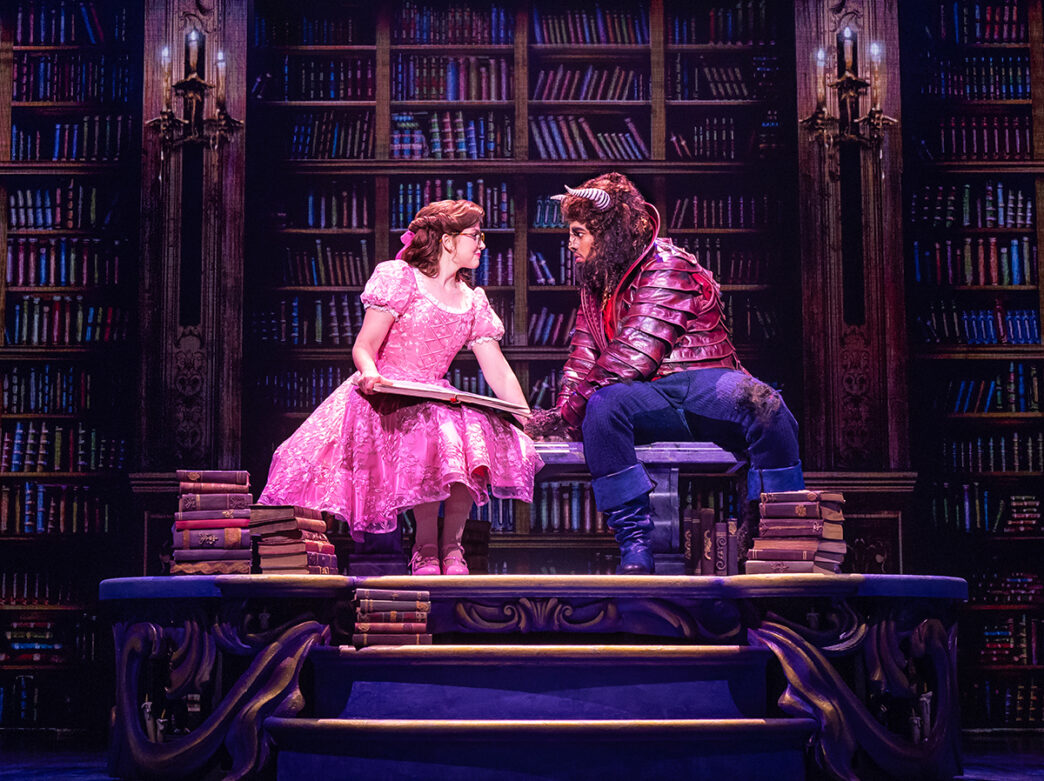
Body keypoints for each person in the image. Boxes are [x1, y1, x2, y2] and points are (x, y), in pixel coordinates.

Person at [525, 172, 804, 575]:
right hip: (649, 396)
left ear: (608, 231)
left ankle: (777, 531)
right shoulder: (596, 283)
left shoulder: (668, 263)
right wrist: (564, 414)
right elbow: (585, 358)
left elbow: (631, 357)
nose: (571, 243)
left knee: (765, 404)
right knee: (602, 407)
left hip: (700, 380)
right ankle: (635, 545)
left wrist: (566, 416)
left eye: (579, 232)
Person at [259, 199, 541, 576]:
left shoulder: (473, 301)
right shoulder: (400, 279)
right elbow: (364, 345)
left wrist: (525, 417)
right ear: (446, 241)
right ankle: (425, 545)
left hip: (433, 393)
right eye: (475, 235)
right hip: (386, 393)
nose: (482, 244)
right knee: (430, 428)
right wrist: (371, 374)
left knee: (468, 427)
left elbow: (499, 371)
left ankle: (452, 546)